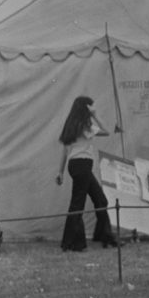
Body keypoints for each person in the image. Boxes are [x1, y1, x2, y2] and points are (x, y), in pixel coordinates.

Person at [56, 96, 116, 251]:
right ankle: (72, 243)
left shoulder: (71, 125)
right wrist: (95, 115)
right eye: (92, 106)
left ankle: (103, 236)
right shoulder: (84, 125)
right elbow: (106, 131)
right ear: (86, 108)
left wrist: (60, 172)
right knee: (78, 204)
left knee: (100, 200)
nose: (94, 108)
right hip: (82, 165)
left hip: (76, 165)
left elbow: (65, 151)